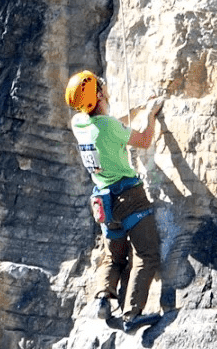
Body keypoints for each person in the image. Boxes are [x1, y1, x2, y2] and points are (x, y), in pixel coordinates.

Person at [65, 70, 163, 328]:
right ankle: (132, 313)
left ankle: (103, 297)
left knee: (114, 257)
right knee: (146, 253)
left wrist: (139, 108)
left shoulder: (79, 124)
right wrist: (151, 116)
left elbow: (110, 124)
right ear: (98, 96)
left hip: (103, 201)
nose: (105, 87)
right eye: (101, 87)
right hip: (129, 197)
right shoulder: (108, 127)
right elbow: (142, 140)